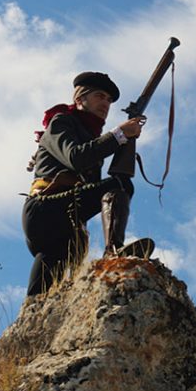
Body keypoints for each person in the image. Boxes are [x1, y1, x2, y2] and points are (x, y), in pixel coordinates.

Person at [23, 71, 155, 296]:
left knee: (52, 269)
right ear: (79, 99)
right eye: (99, 96)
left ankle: (31, 312)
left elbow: (90, 181)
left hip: (67, 219)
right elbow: (76, 157)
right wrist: (120, 134)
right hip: (45, 208)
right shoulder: (61, 121)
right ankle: (113, 252)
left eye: (109, 100)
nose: (105, 103)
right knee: (120, 185)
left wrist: (123, 142)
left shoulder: (87, 136)